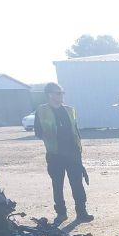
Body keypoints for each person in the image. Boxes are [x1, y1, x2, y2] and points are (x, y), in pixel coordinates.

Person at [34, 82, 92, 223]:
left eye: (62, 93)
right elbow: (38, 131)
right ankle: (61, 213)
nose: (61, 95)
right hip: (55, 154)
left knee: (77, 184)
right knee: (57, 184)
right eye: (58, 93)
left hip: (73, 154)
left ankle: (82, 212)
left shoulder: (70, 110)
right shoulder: (41, 111)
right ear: (50, 95)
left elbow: (75, 130)